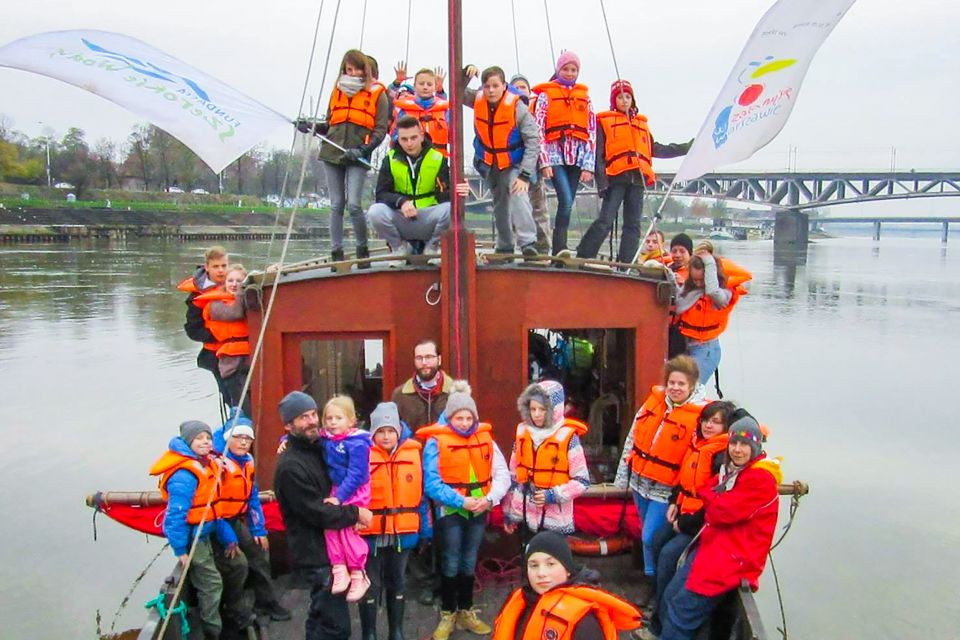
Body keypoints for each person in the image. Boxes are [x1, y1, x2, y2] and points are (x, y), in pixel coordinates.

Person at [658, 414, 781, 640]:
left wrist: (715, 500)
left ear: (755, 446)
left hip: (732, 560)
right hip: (713, 548)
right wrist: (716, 499)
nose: (737, 449)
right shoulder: (732, 471)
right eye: (733, 442)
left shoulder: (760, 480)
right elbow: (708, 490)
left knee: (682, 611)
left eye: (744, 444)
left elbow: (719, 513)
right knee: (671, 597)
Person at [273, 391, 374, 640]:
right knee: (336, 628)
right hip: (316, 553)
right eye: (302, 418)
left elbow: (349, 443)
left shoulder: (318, 446)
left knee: (320, 616)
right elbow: (316, 512)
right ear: (288, 425)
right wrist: (356, 513)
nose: (312, 421)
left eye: (312, 414)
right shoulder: (290, 468)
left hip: (330, 545)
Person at [418, 390, 511, 640]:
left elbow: (503, 474)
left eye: (469, 418)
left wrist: (489, 500)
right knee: (450, 561)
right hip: (450, 510)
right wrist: (462, 501)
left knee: (469, 561)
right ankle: (448, 613)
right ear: (450, 417)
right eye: (459, 418)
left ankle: (466, 610)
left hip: (479, 509)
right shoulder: (436, 442)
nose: (465, 423)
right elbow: (431, 483)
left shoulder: (486, 439)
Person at [642, 402, 733, 636]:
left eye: (715, 422)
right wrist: (674, 502)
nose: (709, 425)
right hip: (682, 513)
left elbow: (713, 504)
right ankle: (658, 601)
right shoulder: (696, 445)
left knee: (669, 554)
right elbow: (682, 480)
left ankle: (659, 622)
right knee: (655, 539)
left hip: (699, 525)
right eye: (706, 420)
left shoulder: (720, 457)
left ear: (726, 427)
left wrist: (684, 523)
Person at [577, 80, 690, 263]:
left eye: (628, 96)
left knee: (633, 225)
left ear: (633, 99)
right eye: (620, 97)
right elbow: (599, 156)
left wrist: (685, 148)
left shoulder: (641, 124)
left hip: (637, 180)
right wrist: (602, 183)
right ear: (614, 100)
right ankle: (584, 254)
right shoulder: (604, 122)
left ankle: (626, 263)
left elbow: (656, 149)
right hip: (616, 178)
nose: (625, 100)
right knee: (605, 220)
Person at [149, 420, 243, 639]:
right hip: (194, 537)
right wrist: (180, 550)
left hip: (209, 530)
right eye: (199, 438)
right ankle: (212, 631)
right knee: (212, 583)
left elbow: (214, 508)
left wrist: (229, 539)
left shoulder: (206, 462)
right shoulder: (185, 475)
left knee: (238, 565)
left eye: (207, 438)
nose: (205, 442)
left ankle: (230, 613)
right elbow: (175, 517)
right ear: (188, 441)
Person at [614, 356, 706, 580]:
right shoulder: (654, 402)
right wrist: (622, 475)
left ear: (692, 385)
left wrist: (679, 495)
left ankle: (653, 577)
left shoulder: (700, 416)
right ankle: (654, 577)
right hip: (639, 482)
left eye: (681, 384)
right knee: (648, 531)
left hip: (665, 489)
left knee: (648, 537)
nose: (675, 388)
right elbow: (632, 437)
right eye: (671, 383)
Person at [298, 49, 389, 262]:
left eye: (358, 69)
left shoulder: (378, 94)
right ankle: (336, 252)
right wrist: (310, 126)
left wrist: (363, 150)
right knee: (336, 204)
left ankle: (362, 249)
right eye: (350, 69)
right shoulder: (336, 91)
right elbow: (330, 124)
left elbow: (380, 129)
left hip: (357, 155)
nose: (354, 73)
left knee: (354, 204)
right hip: (332, 152)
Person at [211, 413, 292, 623]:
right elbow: (214, 508)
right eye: (238, 437)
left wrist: (259, 530)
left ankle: (265, 602)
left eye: (247, 439)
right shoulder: (216, 467)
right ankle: (233, 609)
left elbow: (252, 497)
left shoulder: (247, 461)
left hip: (234, 519)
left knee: (260, 551)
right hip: (216, 523)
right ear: (228, 438)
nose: (244, 442)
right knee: (237, 565)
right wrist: (229, 539)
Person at [492, 531, 642, 640]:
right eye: (533, 565)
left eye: (550, 564)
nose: (541, 573)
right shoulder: (521, 601)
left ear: (568, 570)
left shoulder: (585, 621)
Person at [358, 402, 426, 640]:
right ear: (373, 432)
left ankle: (396, 631)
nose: (386, 436)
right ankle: (369, 632)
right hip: (370, 534)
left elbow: (422, 495)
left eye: (390, 430)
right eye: (381, 431)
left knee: (397, 581)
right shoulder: (362, 454)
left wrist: (425, 529)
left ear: (398, 430)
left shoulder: (414, 453)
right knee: (371, 584)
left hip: (403, 531)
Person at [464, 65, 540, 256]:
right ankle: (505, 245)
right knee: (499, 203)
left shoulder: (517, 107)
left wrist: (525, 174)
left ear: (504, 86)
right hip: (490, 162)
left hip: (514, 161)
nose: (490, 90)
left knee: (518, 193)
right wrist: (466, 73)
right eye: (487, 86)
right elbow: (457, 93)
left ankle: (528, 242)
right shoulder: (477, 99)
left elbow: (533, 141)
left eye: (495, 86)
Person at [367, 116, 470, 256]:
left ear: (421, 136)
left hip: (428, 217)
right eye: (404, 139)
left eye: (413, 138)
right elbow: (381, 194)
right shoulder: (389, 160)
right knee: (375, 212)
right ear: (398, 139)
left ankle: (432, 247)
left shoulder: (438, 159)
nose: (409, 143)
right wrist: (401, 202)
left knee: (450, 209)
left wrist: (460, 189)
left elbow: (444, 194)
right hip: (402, 217)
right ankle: (398, 248)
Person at [502, 380, 590, 536]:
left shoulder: (569, 438)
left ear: (554, 410)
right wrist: (510, 513)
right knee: (528, 558)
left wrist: (553, 495)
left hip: (555, 519)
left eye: (542, 409)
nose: (536, 414)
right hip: (525, 517)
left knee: (552, 559)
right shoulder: (523, 434)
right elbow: (514, 477)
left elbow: (582, 480)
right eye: (532, 409)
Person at [533, 51, 596, 256]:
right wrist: (544, 162)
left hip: (576, 158)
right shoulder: (546, 96)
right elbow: (539, 129)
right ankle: (559, 247)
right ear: (558, 70)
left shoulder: (585, 99)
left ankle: (560, 249)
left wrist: (588, 164)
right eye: (566, 69)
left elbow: (591, 132)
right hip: (554, 156)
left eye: (574, 70)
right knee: (566, 200)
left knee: (567, 202)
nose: (570, 73)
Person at [672, 244, 751, 386]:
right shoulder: (690, 289)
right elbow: (678, 306)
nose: (698, 283)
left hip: (706, 349)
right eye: (694, 279)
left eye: (701, 280)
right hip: (687, 345)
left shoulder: (725, 293)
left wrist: (709, 263)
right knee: (681, 389)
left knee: (691, 389)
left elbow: (713, 292)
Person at [319, 395, 373, 602]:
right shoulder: (327, 439)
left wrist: (340, 498)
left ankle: (359, 572)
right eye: (329, 418)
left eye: (338, 418)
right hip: (337, 489)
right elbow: (311, 438)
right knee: (331, 526)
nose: (333, 422)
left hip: (354, 490)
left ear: (351, 421)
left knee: (348, 530)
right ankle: (339, 567)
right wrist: (285, 440)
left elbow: (357, 474)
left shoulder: (357, 443)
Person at [196, 263, 250, 413]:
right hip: (230, 362)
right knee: (241, 407)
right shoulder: (215, 305)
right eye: (230, 280)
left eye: (239, 281)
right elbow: (236, 313)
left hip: (250, 357)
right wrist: (242, 292)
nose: (234, 284)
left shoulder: (248, 302)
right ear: (224, 283)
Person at [177, 246, 229, 399]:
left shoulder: (236, 284)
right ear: (207, 267)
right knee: (229, 395)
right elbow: (192, 330)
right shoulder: (197, 298)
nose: (220, 270)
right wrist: (217, 335)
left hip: (241, 351)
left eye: (224, 266)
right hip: (215, 354)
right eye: (216, 266)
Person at [510, 73, 551, 253]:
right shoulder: (508, 113)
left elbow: (537, 141)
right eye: (516, 88)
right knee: (516, 210)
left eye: (523, 87)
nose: (520, 91)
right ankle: (514, 248)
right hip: (513, 169)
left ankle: (543, 249)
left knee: (539, 210)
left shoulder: (536, 112)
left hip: (534, 170)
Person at [392, 339, 454, 430]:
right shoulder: (400, 395)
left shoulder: (455, 392)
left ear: (439, 359)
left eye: (429, 357)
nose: (424, 362)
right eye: (419, 358)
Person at [392, 68, 451, 157]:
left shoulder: (444, 111)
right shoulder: (404, 110)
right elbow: (395, 135)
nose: (425, 87)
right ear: (415, 86)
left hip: (439, 160)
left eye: (429, 84)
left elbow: (454, 137)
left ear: (435, 87)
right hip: (411, 159)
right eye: (421, 84)